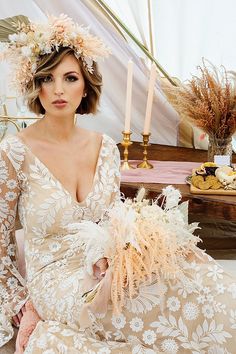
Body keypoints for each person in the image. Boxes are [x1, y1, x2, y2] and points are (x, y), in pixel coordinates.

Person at [0, 14, 236, 354]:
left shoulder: (106, 148)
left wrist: (123, 253)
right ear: (36, 85)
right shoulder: (13, 153)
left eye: (70, 78)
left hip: (103, 264)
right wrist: (22, 304)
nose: (58, 90)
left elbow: (114, 223)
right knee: (144, 303)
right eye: (47, 78)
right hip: (54, 282)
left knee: (189, 282)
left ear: (85, 85)